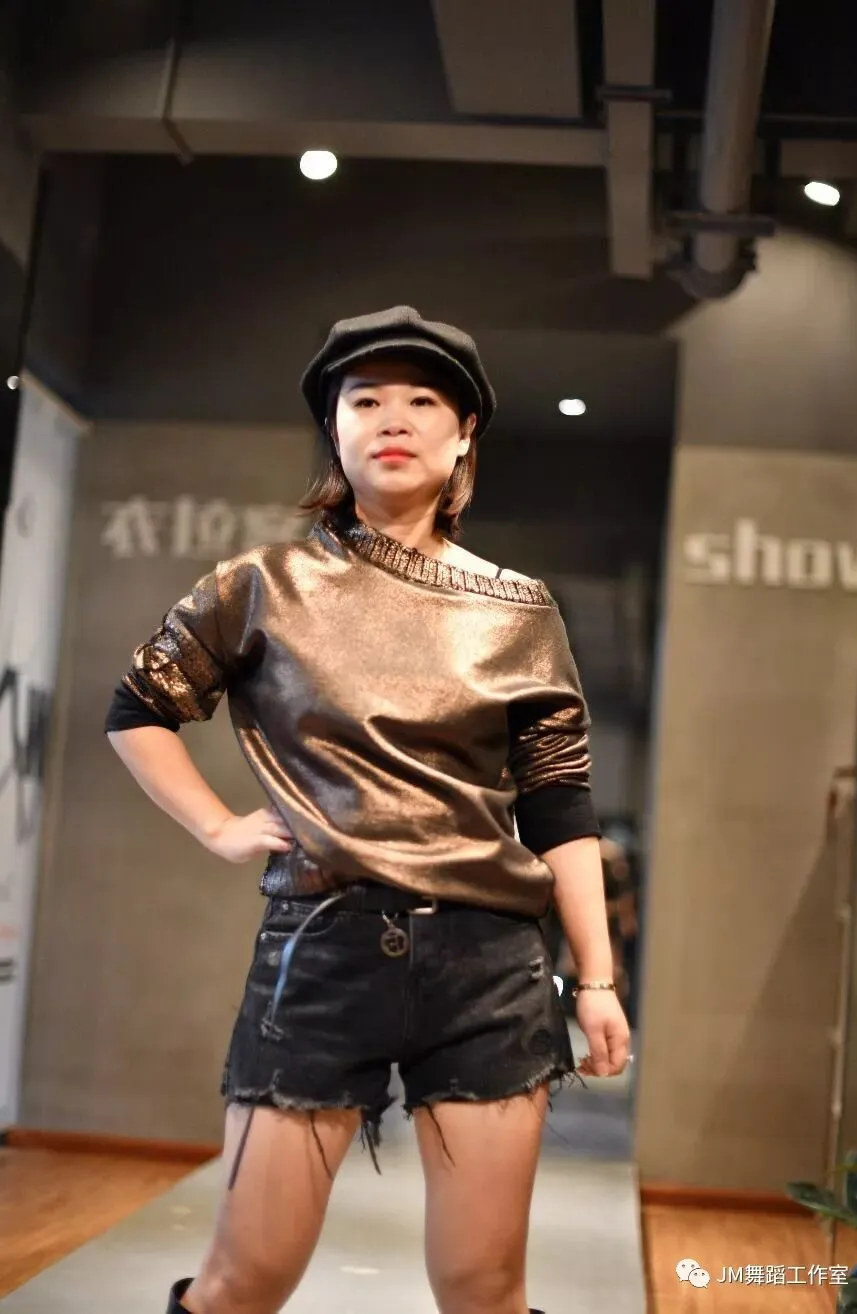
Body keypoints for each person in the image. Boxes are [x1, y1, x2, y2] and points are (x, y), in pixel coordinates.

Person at [104, 306, 631, 1314]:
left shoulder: (520, 609)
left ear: (463, 434)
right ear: (335, 431)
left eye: (422, 400)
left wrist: (596, 981)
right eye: (365, 400)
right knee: (243, 1280)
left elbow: (560, 807)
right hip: (321, 946)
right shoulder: (264, 583)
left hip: (489, 967)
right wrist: (217, 825)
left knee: (485, 1286)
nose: (392, 418)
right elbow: (139, 709)